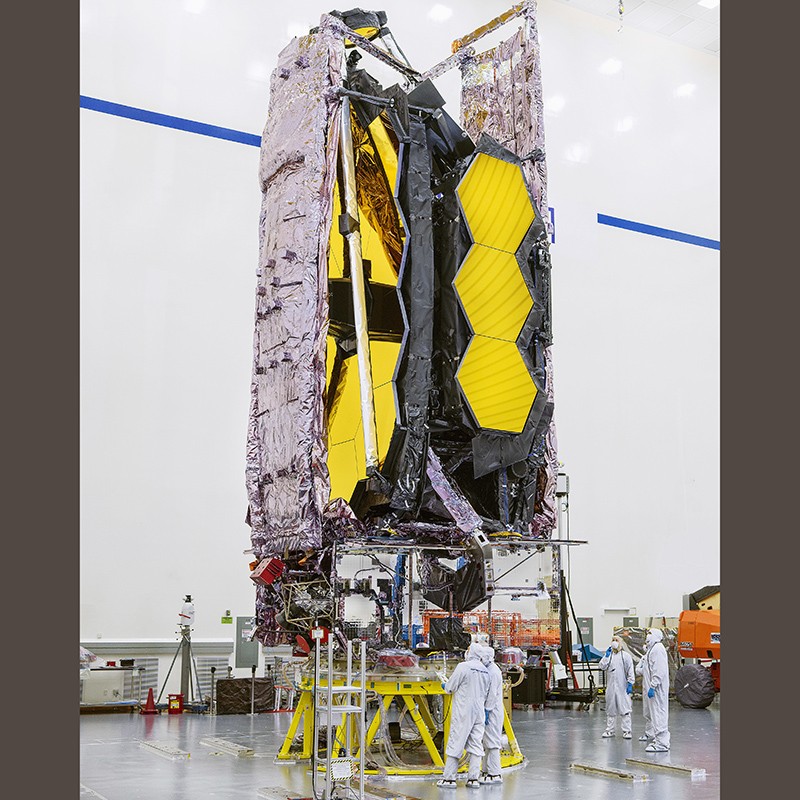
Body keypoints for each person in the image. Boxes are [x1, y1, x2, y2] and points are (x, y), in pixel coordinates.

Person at [436, 644, 491, 789]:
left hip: (463, 711)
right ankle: (473, 779)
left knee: (456, 741)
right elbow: (486, 692)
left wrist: (444, 684)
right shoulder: (485, 671)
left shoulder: (463, 667)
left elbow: (450, 688)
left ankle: (449, 779)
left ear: (471, 653)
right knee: (476, 744)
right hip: (479, 711)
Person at [598, 635, 635, 739]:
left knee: (625, 709)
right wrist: (606, 656)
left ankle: (627, 731)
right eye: (613, 640)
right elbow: (601, 666)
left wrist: (630, 683)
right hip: (611, 688)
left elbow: (630, 671)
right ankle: (610, 730)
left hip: (623, 687)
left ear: (621, 643)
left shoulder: (625, 656)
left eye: (616, 640)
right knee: (611, 709)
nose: (614, 642)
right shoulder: (608, 656)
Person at [477, 644, 504, 784]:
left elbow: (492, 694)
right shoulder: (487, 669)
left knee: (493, 743)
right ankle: (487, 771)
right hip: (490, 710)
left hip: (493, 711)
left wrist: (487, 710)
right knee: (487, 742)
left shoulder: (493, 671)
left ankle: (495, 774)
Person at [643, 628, 670, 752]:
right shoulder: (652, 649)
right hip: (655, 688)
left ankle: (662, 744)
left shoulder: (658, 649)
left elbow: (659, 670)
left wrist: (653, 685)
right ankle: (659, 740)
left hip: (658, 688)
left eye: (649, 634)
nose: (647, 636)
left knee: (659, 713)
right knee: (655, 713)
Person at [635, 639, 655, 744]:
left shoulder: (656, 655)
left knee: (655, 712)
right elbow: (637, 670)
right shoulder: (644, 658)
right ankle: (649, 733)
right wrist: (644, 670)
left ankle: (657, 735)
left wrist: (654, 685)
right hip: (646, 688)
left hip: (654, 688)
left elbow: (657, 671)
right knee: (647, 712)